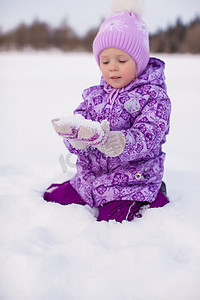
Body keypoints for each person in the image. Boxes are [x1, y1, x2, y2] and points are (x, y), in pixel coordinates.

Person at [43, 5, 171, 222]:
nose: (112, 67)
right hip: (91, 179)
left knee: (112, 219)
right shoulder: (95, 96)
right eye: (105, 61)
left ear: (138, 62)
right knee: (53, 198)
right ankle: (89, 192)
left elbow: (149, 136)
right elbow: (81, 122)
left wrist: (119, 142)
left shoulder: (153, 97)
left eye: (121, 61)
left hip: (132, 181)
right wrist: (76, 137)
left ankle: (154, 195)